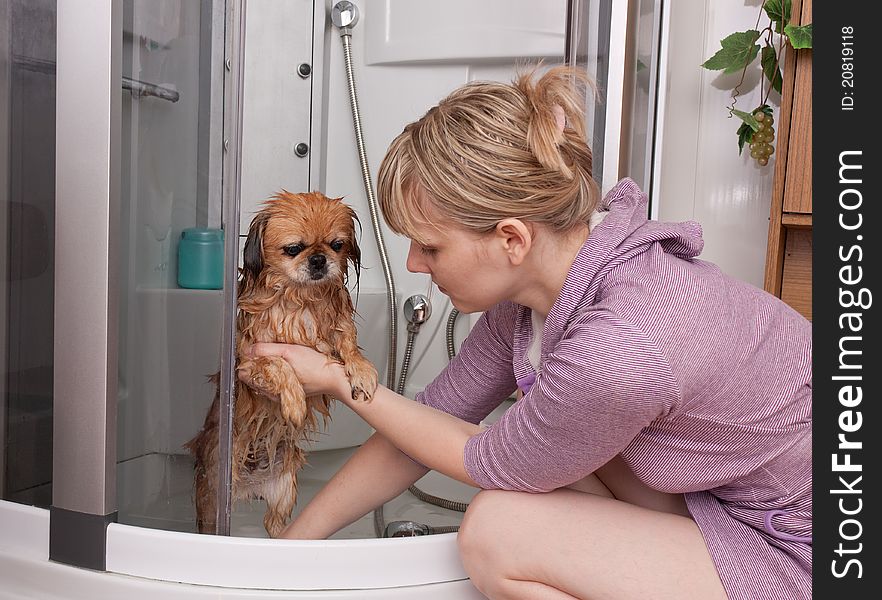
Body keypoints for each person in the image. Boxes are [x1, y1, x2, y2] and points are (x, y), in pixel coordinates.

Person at [243, 65, 812, 600]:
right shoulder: (536, 300)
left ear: (513, 240)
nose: (414, 264)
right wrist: (289, 557)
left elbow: (493, 460)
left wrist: (341, 382)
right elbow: (421, 429)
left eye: (431, 246)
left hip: (810, 550)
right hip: (728, 504)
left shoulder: (623, 337)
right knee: (557, 462)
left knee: (498, 530)